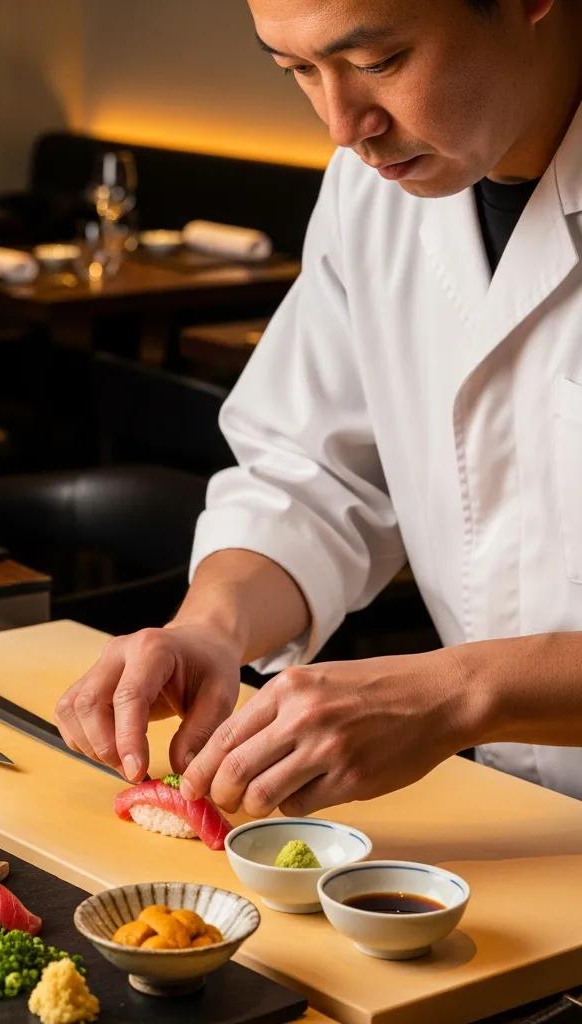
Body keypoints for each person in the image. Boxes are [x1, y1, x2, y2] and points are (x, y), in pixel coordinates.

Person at [55, 0, 582, 811]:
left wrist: (463, 691)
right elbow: (313, 474)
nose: (343, 125)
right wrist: (213, 628)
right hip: (523, 817)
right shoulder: (371, 189)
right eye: (299, 71)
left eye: (378, 62)